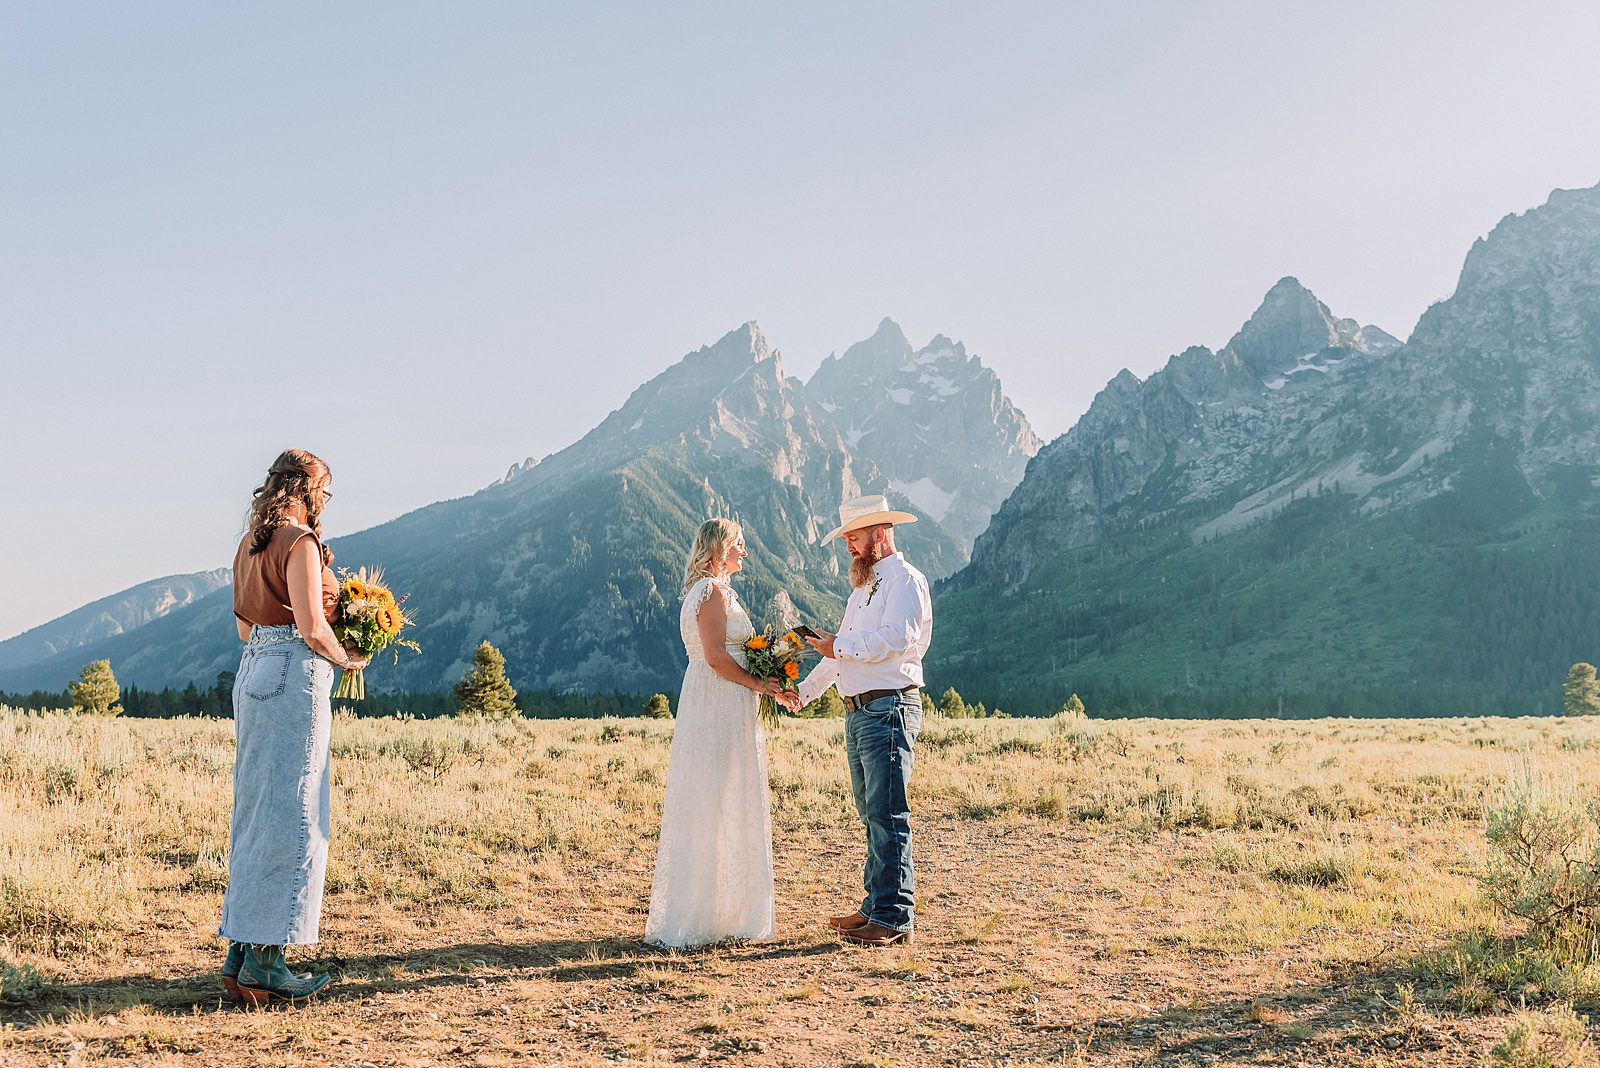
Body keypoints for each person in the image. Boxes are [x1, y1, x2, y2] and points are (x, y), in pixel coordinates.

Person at [218, 449, 368, 1005]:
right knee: (297, 811)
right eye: (323, 492)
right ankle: (269, 964)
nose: (325, 503)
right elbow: (310, 626)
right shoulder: (299, 543)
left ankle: (241, 953)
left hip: (253, 667)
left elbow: (242, 629)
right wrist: (347, 656)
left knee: (258, 808)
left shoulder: (249, 545)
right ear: (305, 490)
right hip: (292, 671)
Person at [644, 518, 801, 947]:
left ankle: (723, 909)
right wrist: (758, 683)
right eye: (740, 545)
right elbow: (714, 656)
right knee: (716, 799)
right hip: (718, 700)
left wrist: (772, 677)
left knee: (723, 797)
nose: (745, 552)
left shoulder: (714, 590)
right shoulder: (710, 592)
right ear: (719, 549)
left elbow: (731, 654)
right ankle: (705, 914)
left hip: (725, 701)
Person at [798, 495, 932, 946]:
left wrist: (837, 646)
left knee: (887, 811)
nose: (848, 547)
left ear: (879, 533)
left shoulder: (906, 581)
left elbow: (897, 638)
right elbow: (841, 652)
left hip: (889, 707)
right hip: (861, 712)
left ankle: (894, 917)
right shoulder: (863, 589)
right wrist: (803, 694)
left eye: (853, 538)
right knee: (871, 811)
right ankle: (875, 906)